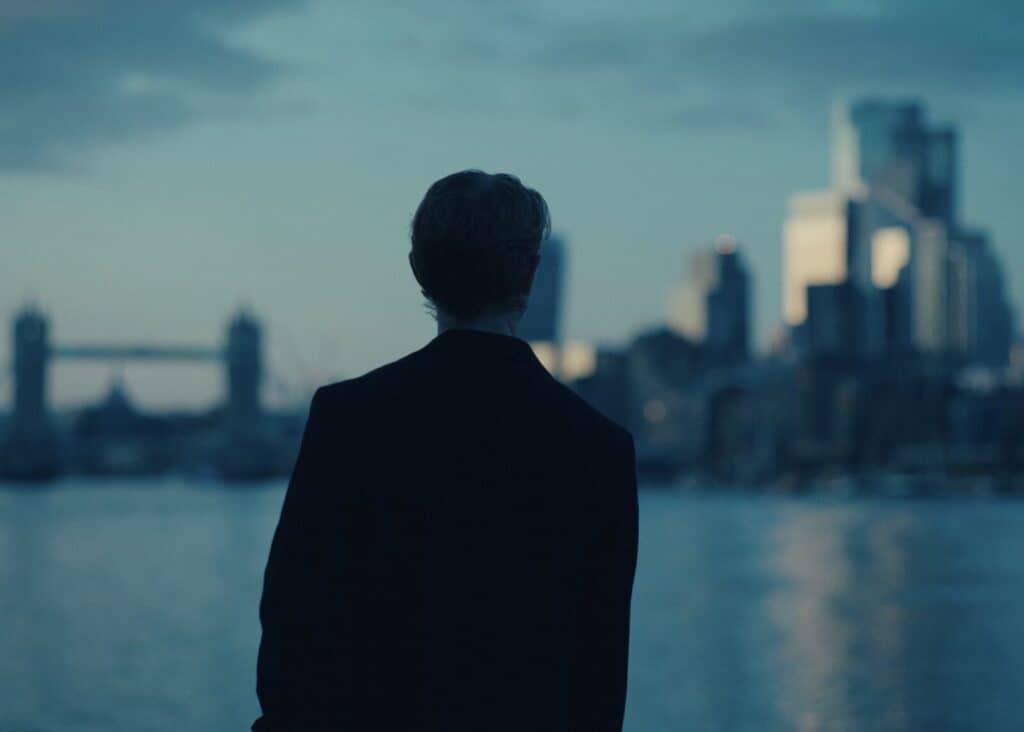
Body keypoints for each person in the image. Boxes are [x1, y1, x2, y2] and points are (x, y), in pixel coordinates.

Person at [253, 170, 639, 731]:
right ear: (531, 272)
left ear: (420, 272)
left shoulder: (349, 420)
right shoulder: (600, 449)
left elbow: (293, 637)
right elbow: (599, 687)